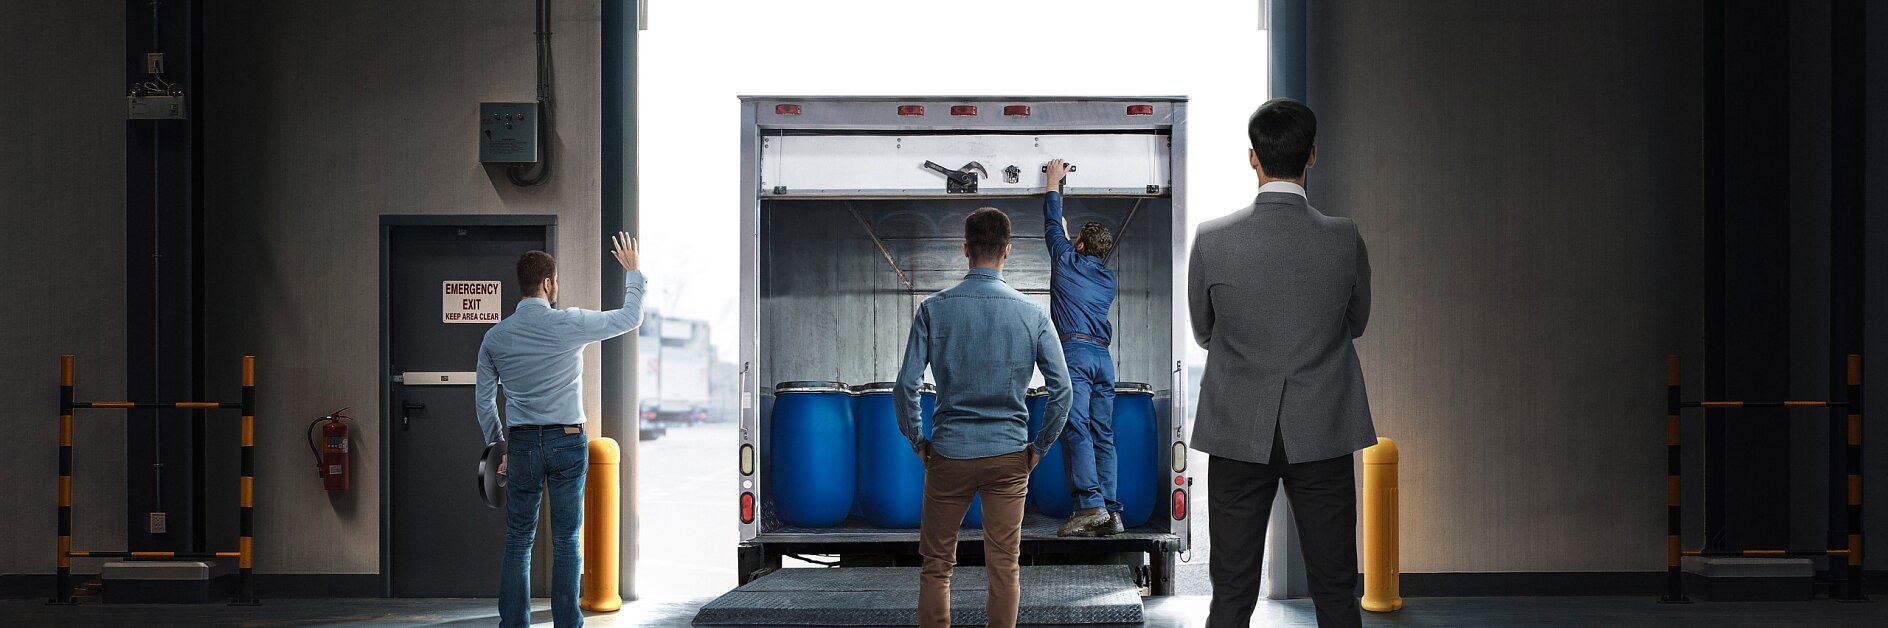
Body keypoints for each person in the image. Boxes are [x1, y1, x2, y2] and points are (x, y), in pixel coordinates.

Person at [1189, 98, 1375, 628]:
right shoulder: (1343, 237)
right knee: (1337, 590)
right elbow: (1356, 322)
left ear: (1253, 158)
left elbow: (1204, 331)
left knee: (1231, 592)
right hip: (1322, 428)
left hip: (1236, 429)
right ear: (1311, 156)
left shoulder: (1212, 238)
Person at [895, 207, 1073, 628]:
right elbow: (1062, 389)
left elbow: (907, 386)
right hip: (1010, 457)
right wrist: (1039, 448)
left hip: (949, 455)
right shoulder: (1032, 314)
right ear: (1007, 251)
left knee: (937, 565)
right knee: (1004, 566)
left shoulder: (934, 310)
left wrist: (919, 441)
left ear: (965, 249)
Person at [474, 233, 645, 628]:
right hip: (568, 441)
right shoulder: (569, 323)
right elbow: (629, 318)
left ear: (523, 285)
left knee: (519, 539)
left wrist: (497, 446)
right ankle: (567, 623)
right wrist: (633, 273)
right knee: (567, 538)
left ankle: (514, 624)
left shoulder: (495, 338)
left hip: (521, 445)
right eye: (557, 282)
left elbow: (484, 400)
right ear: (548, 284)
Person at [1041, 158, 1124, 537]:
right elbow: (1062, 238)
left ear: (1078, 244)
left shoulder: (1065, 261)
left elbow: (1050, 223)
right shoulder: (1107, 279)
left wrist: (1053, 183)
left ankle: (1090, 505)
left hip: (1074, 354)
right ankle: (1111, 511)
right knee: (1102, 433)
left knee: (1076, 430)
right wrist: (1067, 236)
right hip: (1103, 359)